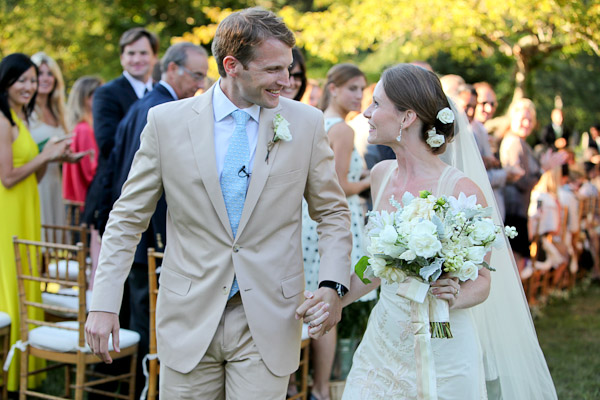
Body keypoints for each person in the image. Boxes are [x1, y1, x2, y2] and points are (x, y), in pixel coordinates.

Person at [85, 8, 352, 399]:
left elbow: (331, 212)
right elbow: (127, 219)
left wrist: (332, 285)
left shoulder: (306, 123)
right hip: (188, 316)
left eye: (288, 68)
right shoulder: (165, 122)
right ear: (232, 65)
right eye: (274, 70)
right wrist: (104, 303)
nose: (287, 80)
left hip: (271, 317)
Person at [302, 64, 557, 399]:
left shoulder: (461, 190)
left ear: (407, 118)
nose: (366, 112)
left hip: (443, 344)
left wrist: (457, 295)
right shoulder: (379, 175)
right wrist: (334, 297)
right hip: (383, 343)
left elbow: (482, 280)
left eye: (377, 104)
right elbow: (374, 267)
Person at [101, 41, 209, 398]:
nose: (200, 85)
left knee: (138, 318)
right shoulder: (166, 110)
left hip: (139, 238)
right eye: (196, 75)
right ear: (173, 69)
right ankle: (146, 390)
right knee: (148, 324)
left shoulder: (141, 106)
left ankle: (130, 388)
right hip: (152, 238)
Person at [0, 53, 70, 393]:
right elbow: (8, 177)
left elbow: (35, 173)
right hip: (7, 212)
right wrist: (43, 155)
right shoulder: (1, 120)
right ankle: (9, 371)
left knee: (28, 279)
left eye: (32, 79)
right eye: (22, 80)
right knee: (12, 284)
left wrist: (54, 157)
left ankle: (28, 363)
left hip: (28, 208)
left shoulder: (19, 117)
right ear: (6, 82)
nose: (29, 86)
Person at [301, 63, 371, 400]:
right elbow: (341, 186)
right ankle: (321, 388)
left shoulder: (315, 122)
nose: (359, 96)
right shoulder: (342, 130)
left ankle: (299, 382)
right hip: (331, 223)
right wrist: (373, 179)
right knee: (327, 304)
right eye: (353, 88)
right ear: (333, 88)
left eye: (362, 89)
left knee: (308, 300)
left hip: (307, 221)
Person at [84, 27, 159, 233]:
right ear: (122, 57)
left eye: (143, 53)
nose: (137, 59)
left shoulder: (162, 92)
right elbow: (108, 144)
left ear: (154, 56)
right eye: (131, 53)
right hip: (116, 187)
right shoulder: (106, 93)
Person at [500, 99, 566, 273]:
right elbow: (518, 180)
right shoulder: (513, 142)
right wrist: (543, 169)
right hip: (511, 213)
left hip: (520, 211)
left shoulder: (523, 144)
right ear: (512, 118)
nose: (526, 123)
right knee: (514, 269)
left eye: (530, 120)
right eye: (522, 118)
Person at [29, 52, 68, 226]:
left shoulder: (58, 112)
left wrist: (66, 156)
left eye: (50, 73)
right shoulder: (25, 113)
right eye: (39, 73)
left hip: (55, 181)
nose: (45, 78)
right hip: (35, 182)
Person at [63, 76, 103, 208]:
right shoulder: (84, 129)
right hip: (85, 203)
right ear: (85, 98)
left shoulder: (85, 126)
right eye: (99, 94)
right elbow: (90, 172)